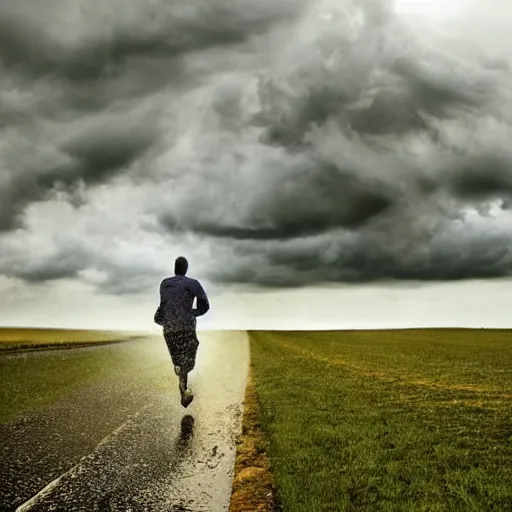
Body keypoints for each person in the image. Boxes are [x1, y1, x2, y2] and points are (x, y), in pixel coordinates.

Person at [154, 256, 210, 408]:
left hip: (169, 329)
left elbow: (164, 305)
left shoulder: (165, 284)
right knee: (190, 358)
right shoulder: (193, 284)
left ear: (175, 268)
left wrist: (163, 319)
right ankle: (182, 381)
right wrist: (193, 312)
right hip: (186, 328)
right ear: (186, 269)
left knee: (179, 359)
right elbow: (204, 305)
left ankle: (183, 387)